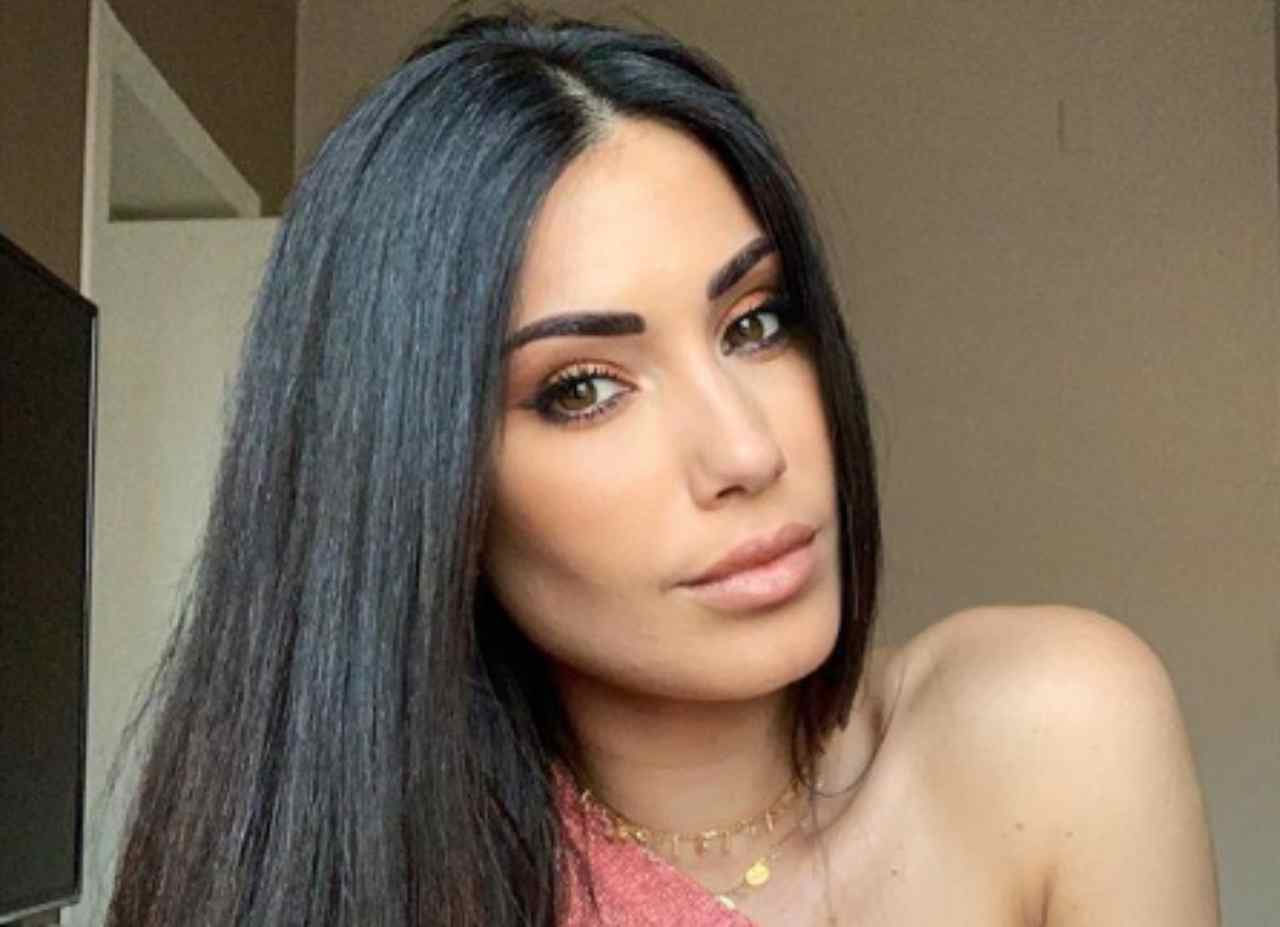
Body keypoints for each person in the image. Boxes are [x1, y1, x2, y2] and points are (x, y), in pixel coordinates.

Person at [103, 7, 1219, 926]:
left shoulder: (1050, 732)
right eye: (583, 388)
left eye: (754, 323)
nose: (747, 451)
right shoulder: (362, 884)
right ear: (417, 485)